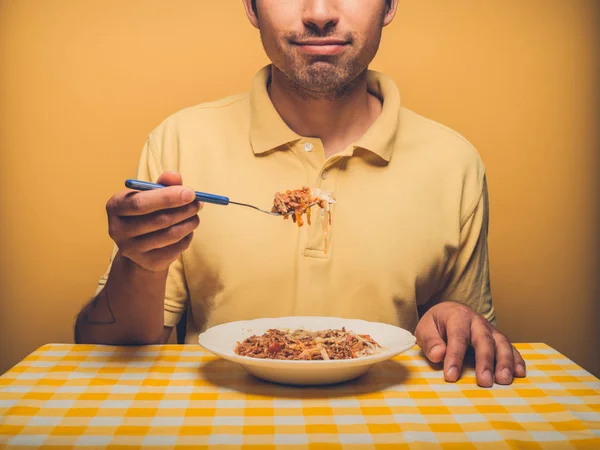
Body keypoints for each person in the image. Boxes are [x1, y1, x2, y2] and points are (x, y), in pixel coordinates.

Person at [75, 0, 526, 388]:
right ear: (251, 7)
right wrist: (139, 263)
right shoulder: (180, 142)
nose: (319, 14)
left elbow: (463, 347)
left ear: (390, 4)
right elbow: (103, 351)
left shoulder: (453, 161)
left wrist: (457, 322)